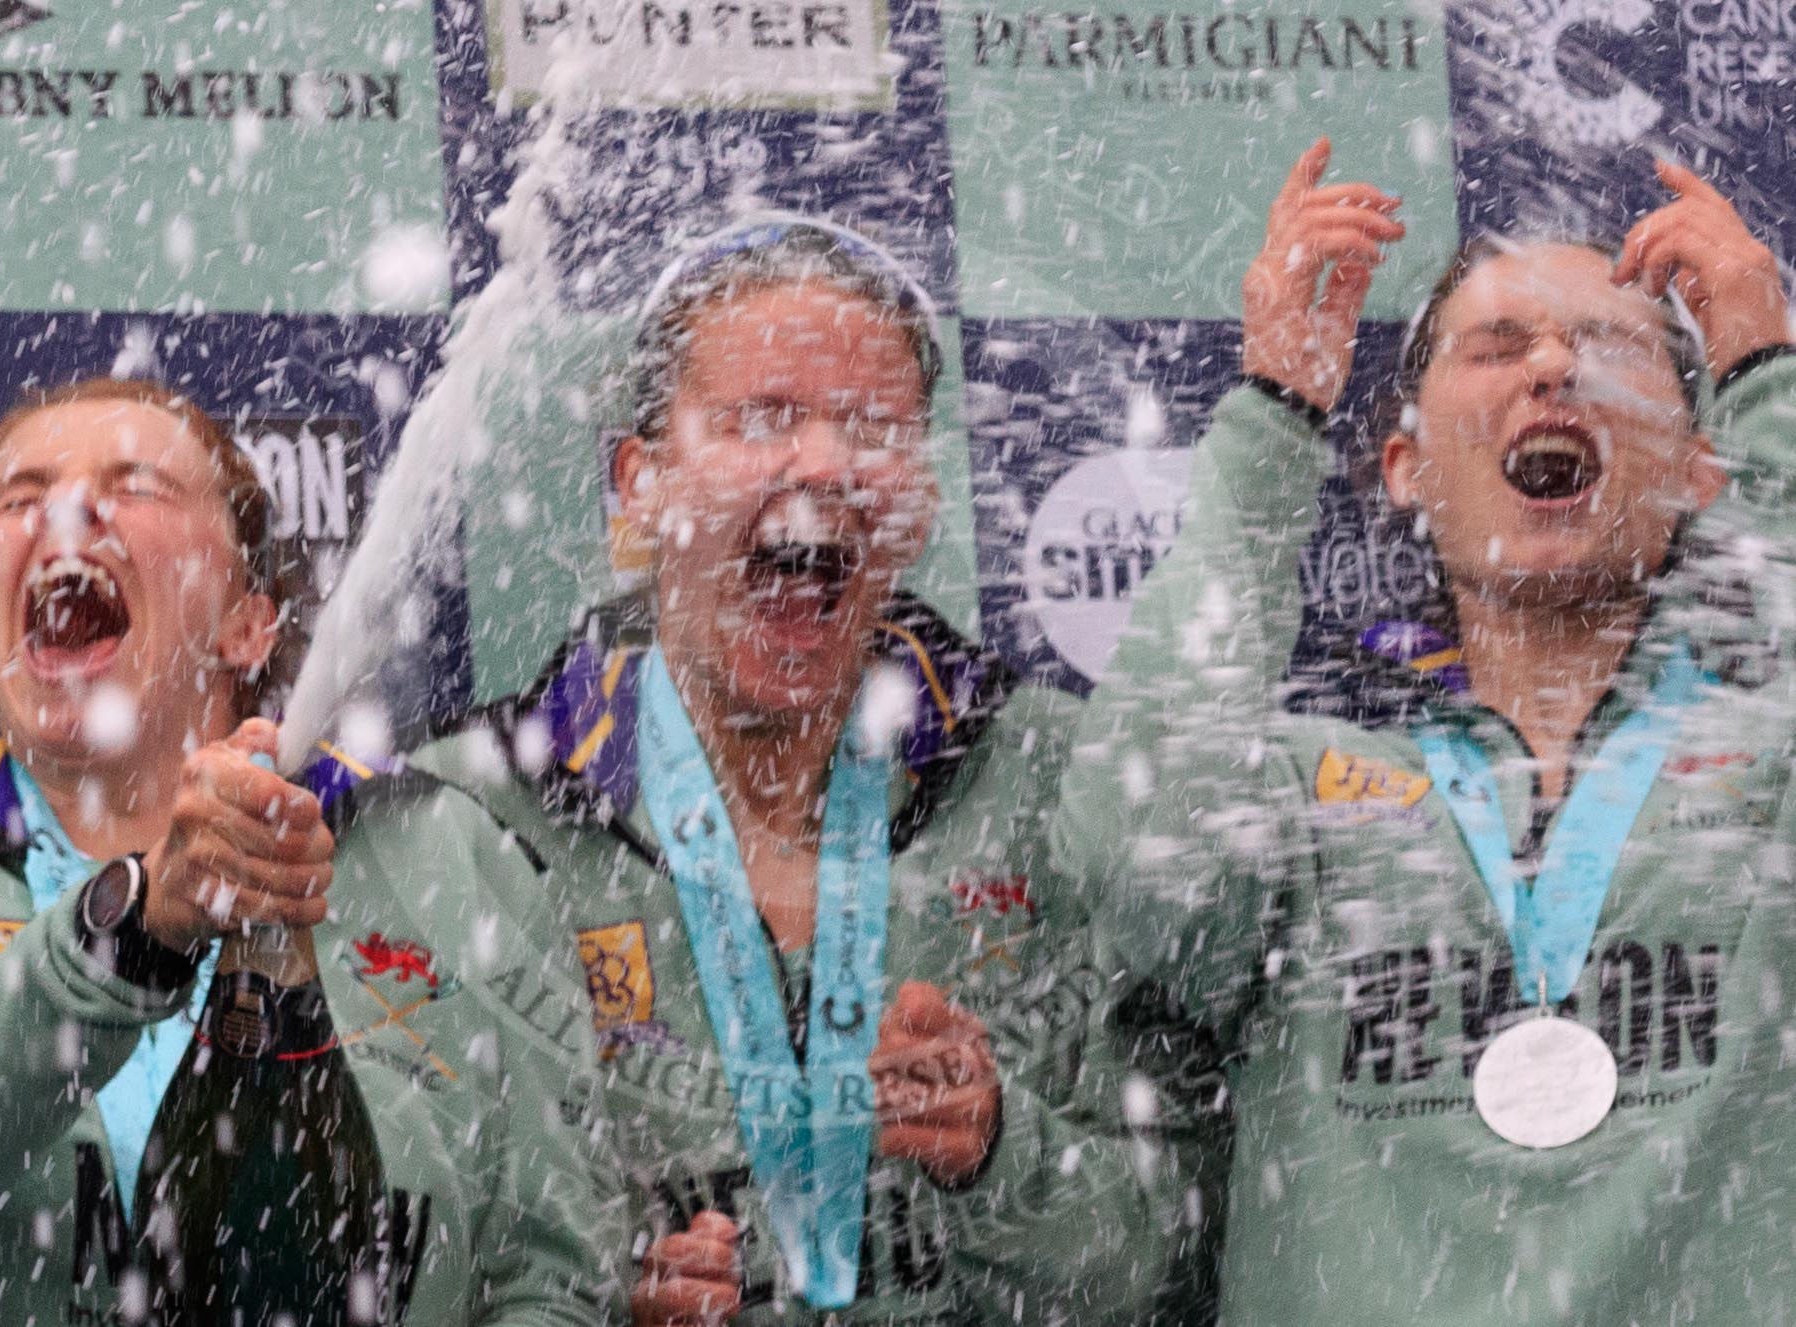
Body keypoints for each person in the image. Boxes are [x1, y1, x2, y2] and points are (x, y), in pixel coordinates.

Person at [326, 215, 1201, 1325]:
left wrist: (998, 1153)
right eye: (763, 418)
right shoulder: (463, 818)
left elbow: (1161, 1268)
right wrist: (592, 1301)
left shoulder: (1053, 779)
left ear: (923, 499)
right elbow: (413, 1251)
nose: (826, 462)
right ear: (639, 485)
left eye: (875, 426)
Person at [1058, 138, 1796, 1321]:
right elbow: (1136, 862)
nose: (1552, 367)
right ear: (1403, 469)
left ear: (1700, 470)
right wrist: (1276, 411)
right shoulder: (1300, 798)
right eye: (1496, 348)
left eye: (1605, 345)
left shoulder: (1771, 774)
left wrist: (1766, 376)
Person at [0, 377, 601, 1324]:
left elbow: (554, 1272)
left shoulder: (442, 847)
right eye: (19, 498)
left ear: (247, 623)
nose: (67, 508)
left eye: (136, 485)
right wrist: (134, 925)